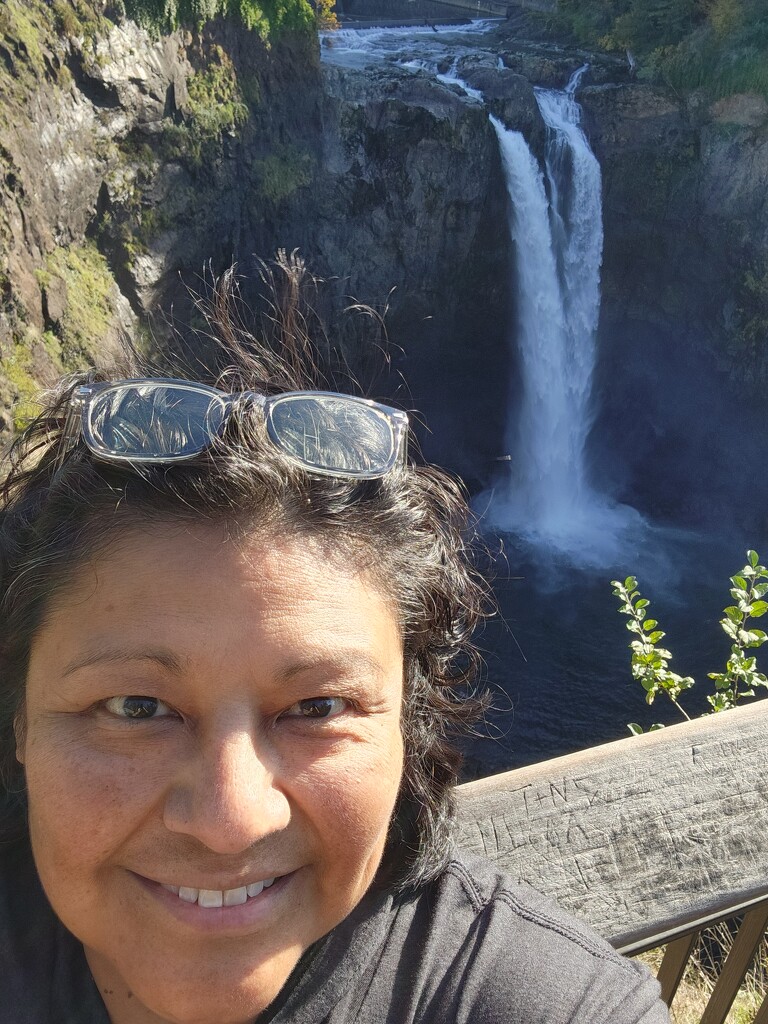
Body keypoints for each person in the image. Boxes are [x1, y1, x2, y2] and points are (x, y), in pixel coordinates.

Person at [0, 255, 669, 1024]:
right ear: (18, 714)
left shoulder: (544, 1004)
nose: (231, 821)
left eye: (317, 706)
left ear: (407, 729)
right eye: (136, 706)